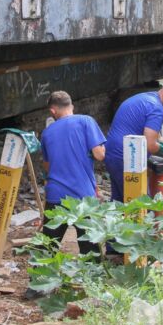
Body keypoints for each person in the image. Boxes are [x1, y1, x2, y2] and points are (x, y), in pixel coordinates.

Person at [40, 91, 106, 255]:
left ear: (52, 111)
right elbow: (99, 154)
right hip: (82, 195)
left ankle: (40, 277)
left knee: (49, 244)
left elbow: (48, 167)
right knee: (89, 246)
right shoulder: (85, 121)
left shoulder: (46, 133)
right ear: (72, 106)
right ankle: (91, 279)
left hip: (56, 194)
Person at [104, 78, 163, 202]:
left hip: (114, 155)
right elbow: (150, 144)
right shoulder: (156, 109)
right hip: (127, 159)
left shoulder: (148, 99)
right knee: (141, 205)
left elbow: (157, 136)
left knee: (118, 202)